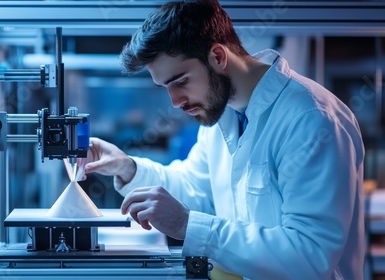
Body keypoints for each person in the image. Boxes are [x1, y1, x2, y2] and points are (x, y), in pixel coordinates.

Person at [79, 0, 365, 278]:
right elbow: (195, 190)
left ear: (218, 56)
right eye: (165, 87)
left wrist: (189, 226)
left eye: (180, 81)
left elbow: (309, 257)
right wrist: (126, 166)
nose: (175, 101)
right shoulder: (222, 116)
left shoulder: (311, 119)